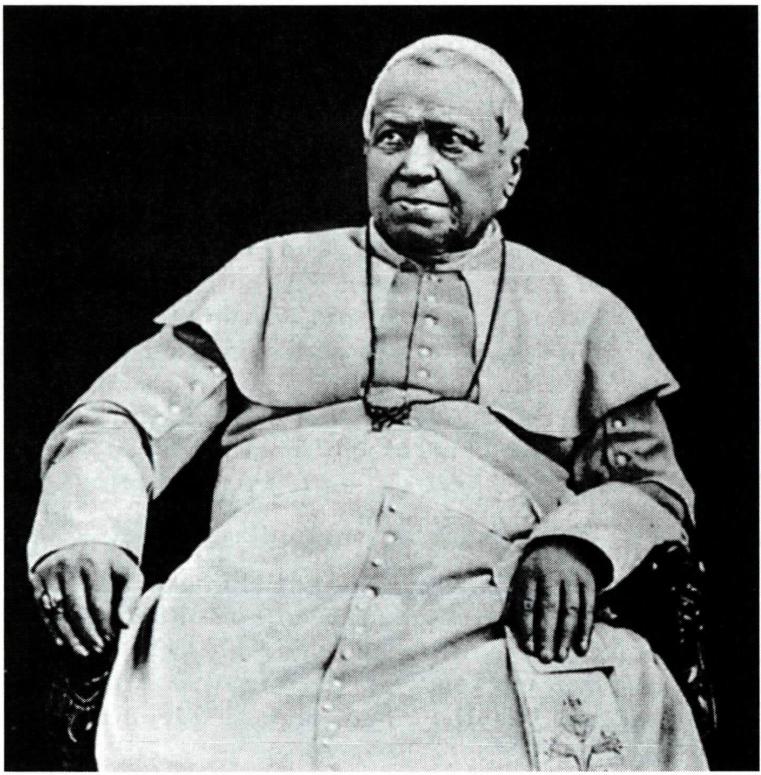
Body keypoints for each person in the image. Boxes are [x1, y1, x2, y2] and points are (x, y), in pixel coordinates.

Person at [28, 35, 708, 770]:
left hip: (479, 612)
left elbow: (650, 487)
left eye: (450, 141)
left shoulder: (582, 312)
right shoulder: (275, 270)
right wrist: (87, 531)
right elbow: (120, 417)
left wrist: (577, 544)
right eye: (393, 138)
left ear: (510, 169)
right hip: (253, 606)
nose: (415, 164)